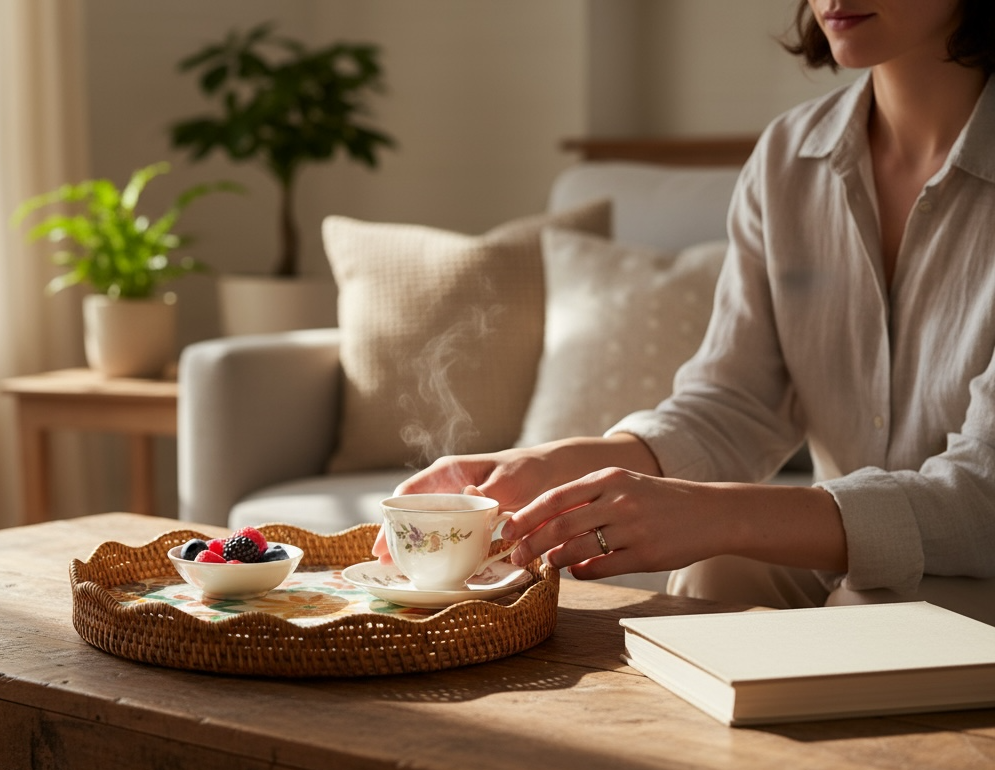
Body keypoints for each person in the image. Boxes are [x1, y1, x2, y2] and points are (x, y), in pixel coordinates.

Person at [373, 0, 995, 622]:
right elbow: (732, 405)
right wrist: (549, 466)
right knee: (717, 573)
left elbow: (983, 495)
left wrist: (718, 513)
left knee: (865, 602)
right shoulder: (788, 159)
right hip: (848, 551)